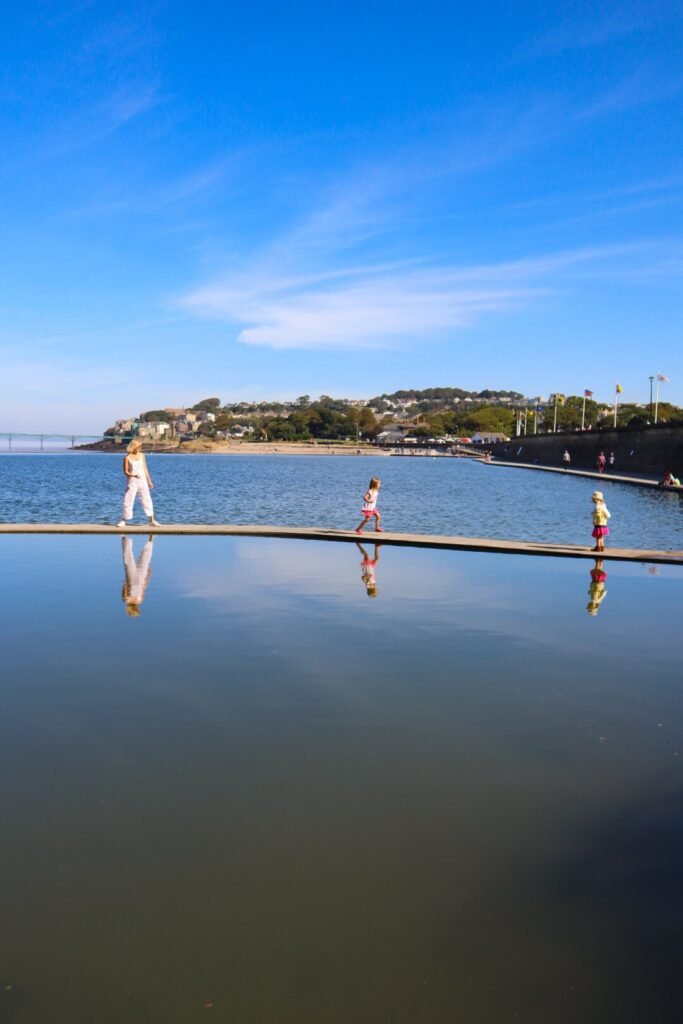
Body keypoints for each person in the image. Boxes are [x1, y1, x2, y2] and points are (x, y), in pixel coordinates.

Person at [117, 439, 158, 527]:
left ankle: (152, 520)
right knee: (128, 499)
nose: (140, 448)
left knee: (146, 499)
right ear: (134, 447)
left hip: (142, 481)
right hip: (132, 482)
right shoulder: (127, 458)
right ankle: (123, 520)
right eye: (139, 446)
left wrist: (149, 481)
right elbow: (126, 472)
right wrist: (133, 475)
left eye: (140, 446)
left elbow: (145, 469)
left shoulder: (142, 456)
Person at [121, 535, 154, 616]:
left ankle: (124, 537)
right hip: (141, 579)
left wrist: (126, 584)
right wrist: (148, 576)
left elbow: (124, 588)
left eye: (136, 609)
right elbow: (143, 588)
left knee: (128, 561)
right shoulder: (140, 600)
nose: (138, 608)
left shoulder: (126, 600)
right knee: (145, 560)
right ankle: (151, 539)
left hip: (131, 580)